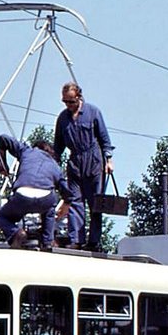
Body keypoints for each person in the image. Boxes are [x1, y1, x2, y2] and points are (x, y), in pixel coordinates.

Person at [54, 81, 114, 250]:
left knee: (95, 203)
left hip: (94, 162)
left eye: (71, 101)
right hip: (75, 163)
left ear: (79, 97)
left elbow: (104, 139)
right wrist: (52, 166)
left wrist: (108, 160)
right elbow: (58, 146)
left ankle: (94, 241)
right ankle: (76, 240)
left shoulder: (93, 112)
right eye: (65, 102)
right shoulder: (62, 119)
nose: (68, 105)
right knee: (74, 201)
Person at [0, 134, 71, 250]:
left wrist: (3, 164)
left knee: (1, 217)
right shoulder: (55, 165)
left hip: (22, 196)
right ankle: (47, 241)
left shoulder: (27, 151)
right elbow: (66, 190)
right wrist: (66, 203)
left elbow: (3, 139)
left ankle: (15, 233)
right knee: (50, 209)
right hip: (45, 199)